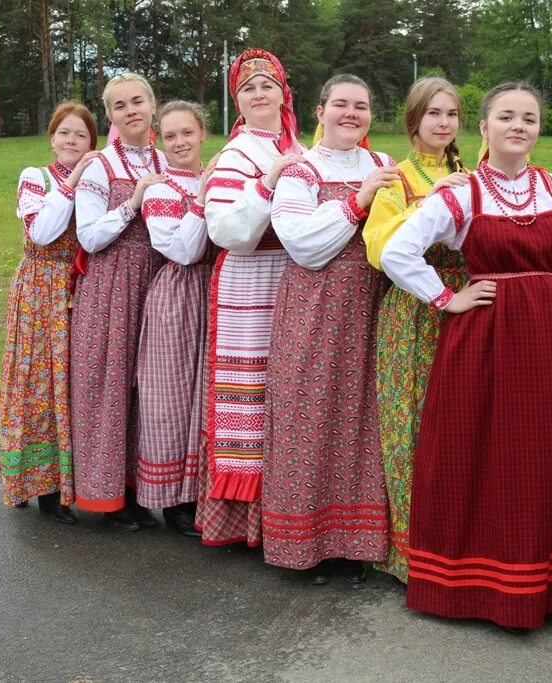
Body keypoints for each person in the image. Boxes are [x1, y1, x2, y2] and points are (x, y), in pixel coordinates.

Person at [381, 82, 552, 631]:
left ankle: (541, 585)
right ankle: (470, 585)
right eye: (507, 116)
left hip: (545, 338)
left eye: (529, 117)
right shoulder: (461, 193)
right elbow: (398, 250)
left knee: (538, 454)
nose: (519, 126)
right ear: (485, 126)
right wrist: (447, 298)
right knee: (476, 450)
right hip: (484, 337)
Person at [264, 74, 399, 585]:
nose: (350, 113)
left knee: (363, 418)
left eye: (360, 106)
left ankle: (354, 544)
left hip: (373, 304)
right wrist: (357, 202)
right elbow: (302, 244)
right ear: (318, 111)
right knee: (309, 415)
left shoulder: (385, 165)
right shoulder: (301, 170)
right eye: (339, 104)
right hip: (315, 308)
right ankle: (302, 546)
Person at [195, 48, 306, 548]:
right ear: (236, 101)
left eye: (267, 85)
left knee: (289, 393)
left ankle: (288, 513)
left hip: (297, 279)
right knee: (254, 397)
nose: (259, 94)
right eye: (248, 88)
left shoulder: (301, 148)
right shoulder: (238, 155)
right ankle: (248, 524)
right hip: (252, 280)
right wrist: (269, 181)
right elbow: (223, 229)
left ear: (285, 92)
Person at [362, 77, 469, 584]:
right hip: (413, 313)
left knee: (458, 429)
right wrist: (430, 202)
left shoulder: (472, 175)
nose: (443, 123)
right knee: (412, 428)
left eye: (451, 114)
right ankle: (411, 554)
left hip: (467, 308)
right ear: (414, 120)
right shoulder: (394, 179)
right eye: (433, 114)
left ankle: (459, 545)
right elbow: (380, 248)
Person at [71, 73, 168, 529]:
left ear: (152, 105)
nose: (131, 111)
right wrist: (132, 202)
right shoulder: (99, 166)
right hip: (110, 288)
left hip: (156, 284)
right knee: (108, 387)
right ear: (109, 115)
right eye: (119, 106)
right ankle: (107, 496)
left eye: (138, 102)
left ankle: (138, 486)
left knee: (146, 390)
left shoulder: (166, 159)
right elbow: (89, 238)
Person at [0, 100, 99, 524]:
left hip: (78, 287)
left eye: (80, 134)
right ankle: (37, 485)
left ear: (92, 141)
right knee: (36, 382)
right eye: (64, 133)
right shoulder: (35, 177)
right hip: (40, 290)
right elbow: (42, 232)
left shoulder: (96, 179)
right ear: (51, 138)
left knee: (70, 387)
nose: (71, 140)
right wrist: (74, 178)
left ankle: (64, 480)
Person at [135, 101, 218, 537]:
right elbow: (183, 250)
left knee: (209, 394)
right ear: (158, 141)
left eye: (187, 132)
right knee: (170, 394)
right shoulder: (159, 189)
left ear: (202, 132)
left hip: (220, 290)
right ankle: (174, 500)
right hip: (179, 291)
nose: (180, 142)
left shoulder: (220, 175)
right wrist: (203, 199)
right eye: (170, 136)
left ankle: (206, 492)